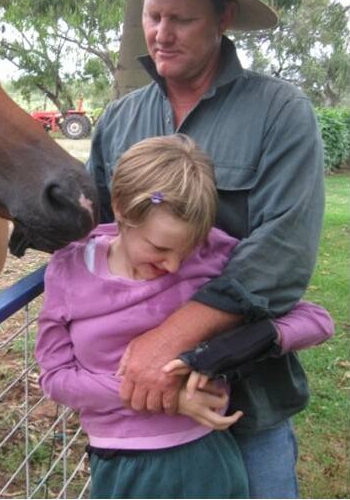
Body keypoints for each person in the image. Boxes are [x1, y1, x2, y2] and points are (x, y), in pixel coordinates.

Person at [87, 0, 326, 498]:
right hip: (141, 409)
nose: (161, 33)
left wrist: (164, 340)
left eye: (181, 19)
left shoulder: (280, 113)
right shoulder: (120, 119)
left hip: (245, 402)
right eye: (153, 15)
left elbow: (284, 256)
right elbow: (95, 237)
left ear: (223, 19)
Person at [36, 136, 333, 499]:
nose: (174, 265)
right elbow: (56, 378)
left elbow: (315, 319)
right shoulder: (69, 271)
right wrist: (169, 397)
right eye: (159, 248)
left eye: (187, 249)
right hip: (122, 466)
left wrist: (229, 350)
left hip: (207, 459)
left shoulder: (213, 253)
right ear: (121, 209)